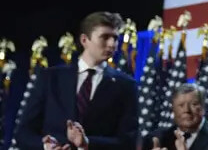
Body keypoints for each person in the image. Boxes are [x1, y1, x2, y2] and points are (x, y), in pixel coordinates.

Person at [15, 12, 138, 150]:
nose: (112, 44)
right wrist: (46, 146)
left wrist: (88, 143)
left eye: (115, 38)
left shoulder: (126, 85)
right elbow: (23, 133)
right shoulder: (50, 78)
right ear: (84, 40)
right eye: (105, 37)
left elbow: (128, 141)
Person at [144, 84, 208, 150]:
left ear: (203, 107)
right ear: (172, 109)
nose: (187, 110)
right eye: (181, 105)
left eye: (193, 104)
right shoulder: (157, 139)